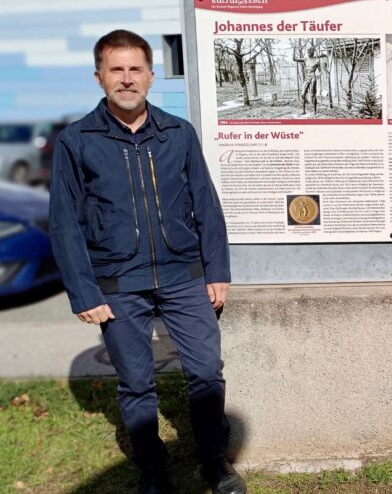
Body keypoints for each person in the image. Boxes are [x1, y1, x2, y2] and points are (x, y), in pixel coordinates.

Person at [49, 30, 247, 494]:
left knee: (205, 371)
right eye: (116, 70)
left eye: (135, 69)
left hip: (184, 276)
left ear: (151, 76)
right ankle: (152, 470)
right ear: (99, 77)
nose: (126, 79)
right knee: (136, 382)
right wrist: (84, 292)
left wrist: (217, 270)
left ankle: (213, 459)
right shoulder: (76, 141)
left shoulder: (178, 133)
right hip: (117, 282)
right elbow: (64, 223)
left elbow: (206, 203)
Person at [294, 44, 326, 114]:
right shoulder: (305, 59)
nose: (308, 52)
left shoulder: (316, 61)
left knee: (312, 94)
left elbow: (320, 71)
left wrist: (318, 75)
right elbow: (294, 59)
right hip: (307, 77)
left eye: (310, 51)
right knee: (302, 94)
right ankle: (303, 111)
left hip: (313, 77)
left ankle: (314, 111)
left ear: (312, 52)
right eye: (308, 51)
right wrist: (294, 49)